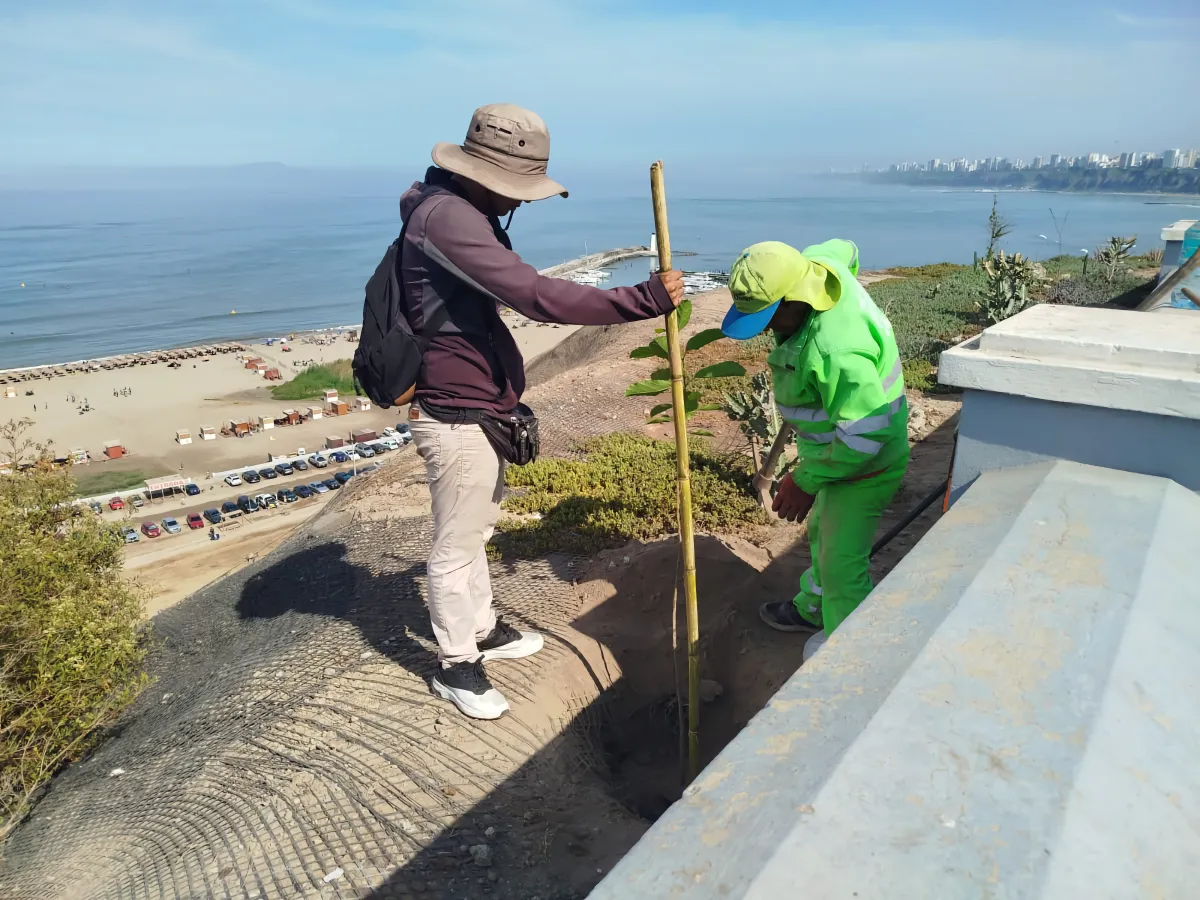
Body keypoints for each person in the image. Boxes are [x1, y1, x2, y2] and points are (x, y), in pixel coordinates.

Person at [399, 103, 685, 720]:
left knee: (477, 527)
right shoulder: (448, 218)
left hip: (478, 401)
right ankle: (456, 664)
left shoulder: (459, 208)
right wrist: (640, 299)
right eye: (518, 188)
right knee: (455, 544)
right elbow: (534, 295)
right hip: (455, 409)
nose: (521, 201)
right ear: (484, 174)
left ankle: (481, 629)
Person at [720, 240, 909, 662]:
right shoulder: (820, 265)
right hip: (834, 459)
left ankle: (846, 657)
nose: (767, 329)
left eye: (770, 317)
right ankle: (814, 608)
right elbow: (848, 249)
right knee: (823, 530)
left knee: (842, 565)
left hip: (866, 467)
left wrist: (805, 480)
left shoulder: (837, 353)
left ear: (795, 299)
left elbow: (865, 437)